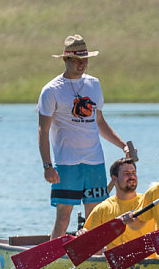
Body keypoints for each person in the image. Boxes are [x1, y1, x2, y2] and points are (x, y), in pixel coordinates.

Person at [37, 34, 129, 239]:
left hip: (94, 161)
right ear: (66, 60)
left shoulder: (94, 84)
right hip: (66, 163)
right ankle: (55, 261)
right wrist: (47, 165)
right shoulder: (51, 90)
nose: (82, 64)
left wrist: (122, 145)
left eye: (85, 59)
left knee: (96, 218)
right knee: (63, 217)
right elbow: (43, 130)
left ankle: (94, 261)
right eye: (78, 60)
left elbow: (99, 122)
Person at [79, 158, 152, 252]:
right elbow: (91, 246)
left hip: (150, 261)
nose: (131, 176)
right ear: (114, 179)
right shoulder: (102, 209)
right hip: (115, 262)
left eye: (133, 173)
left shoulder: (147, 202)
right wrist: (82, 238)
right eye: (126, 173)